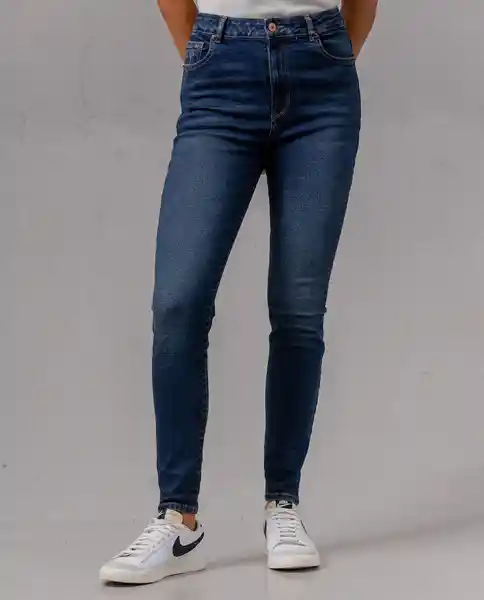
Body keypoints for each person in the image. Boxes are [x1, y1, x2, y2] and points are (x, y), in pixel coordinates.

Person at [100, 0, 378, 585]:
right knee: (178, 303)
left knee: (299, 308)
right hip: (219, 76)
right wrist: (212, 53)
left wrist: (328, 54)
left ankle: (283, 505)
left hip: (322, 81)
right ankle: (178, 520)